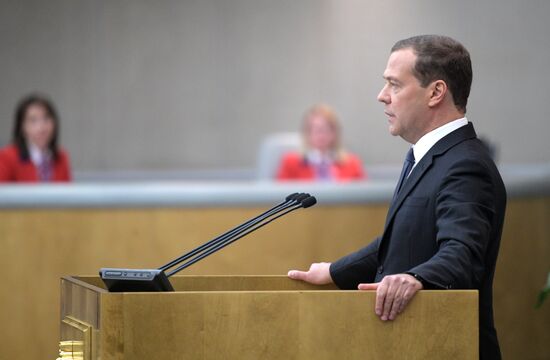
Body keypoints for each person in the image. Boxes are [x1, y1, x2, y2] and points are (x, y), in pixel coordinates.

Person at [288, 35, 506, 359]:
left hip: (447, 346)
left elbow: (463, 254)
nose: (381, 96)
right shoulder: (426, 157)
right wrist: (334, 272)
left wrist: (416, 278)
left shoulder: (466, 165)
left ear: (435, 92)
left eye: (394, 84)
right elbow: (401, 239)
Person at [276, 104, 365, 182]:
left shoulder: (352, 163)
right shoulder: (291, 163)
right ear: (307, 132)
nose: (321, 134)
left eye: (326, 129)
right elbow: (280, 196)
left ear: (334, 133)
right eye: (316, 129)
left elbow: (362, 197)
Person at [0, 94, 71, 182]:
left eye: (46, 118)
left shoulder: (61, 157)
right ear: (22, 127)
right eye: (33, 120)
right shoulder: (7, 157)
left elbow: (67, 194)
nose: (41, 128)